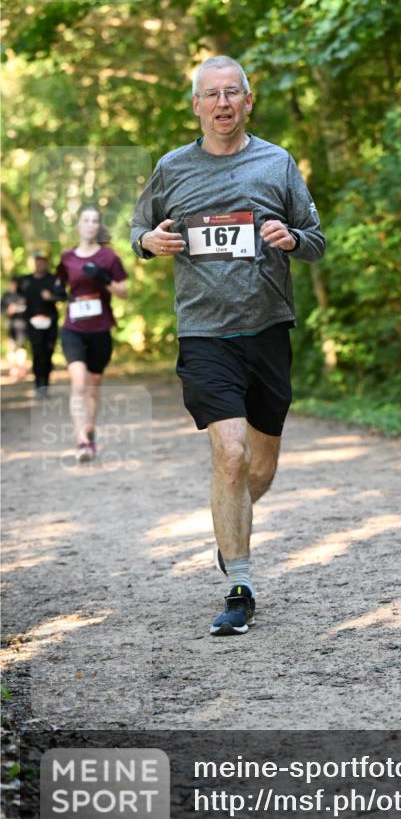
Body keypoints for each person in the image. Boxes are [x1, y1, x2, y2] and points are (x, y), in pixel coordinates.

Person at [130, 55, 325, 638]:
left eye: (231, 93)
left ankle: (229, 518)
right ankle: (239, 585)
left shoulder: (277, 163)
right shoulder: (172, 168)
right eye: (210, 94)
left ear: (247, 101)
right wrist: (150, 242)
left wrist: (292, 238)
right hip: (204, 332)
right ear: (196, 106)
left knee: (258, 468)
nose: (221, 103)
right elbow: (140, 229)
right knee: (232, 455)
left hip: (267, 331)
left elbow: (314, 239)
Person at [56, 205, 128, 462]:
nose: (89, 224)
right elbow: (59, 283)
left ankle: (90, 430)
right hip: (73, 329)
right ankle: (82, 442)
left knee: (93, 388)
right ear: (78, 224)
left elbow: (123, 292)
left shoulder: (108, 258)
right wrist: (57, 293)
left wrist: (103, 278)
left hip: (100, 330)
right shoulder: (67, 258)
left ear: (98, 226)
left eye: (94, 220)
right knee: (78, 383)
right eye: (85, 220)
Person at [19, 252, 62, 396]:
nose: (40, 264)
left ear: (46, 263)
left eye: (43, 261)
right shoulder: (25, 281)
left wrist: (51, 297)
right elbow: (14, 297)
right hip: (32, 323)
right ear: (34, 263)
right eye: (38, 261)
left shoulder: (53, 279)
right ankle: (38, 383)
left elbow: (63, 296)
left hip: (50, 321)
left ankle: (46, 384)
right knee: (38, 353)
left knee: (48, 353)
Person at [1, 276, 29, 380]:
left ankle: (20, 368)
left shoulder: (24, 294)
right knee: (12, 347)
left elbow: (29, 308)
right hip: (11, 325)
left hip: (23, 324)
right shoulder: (7, 295)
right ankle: (13, 368)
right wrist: (8, 310)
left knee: (21, 347)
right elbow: (2, 309)